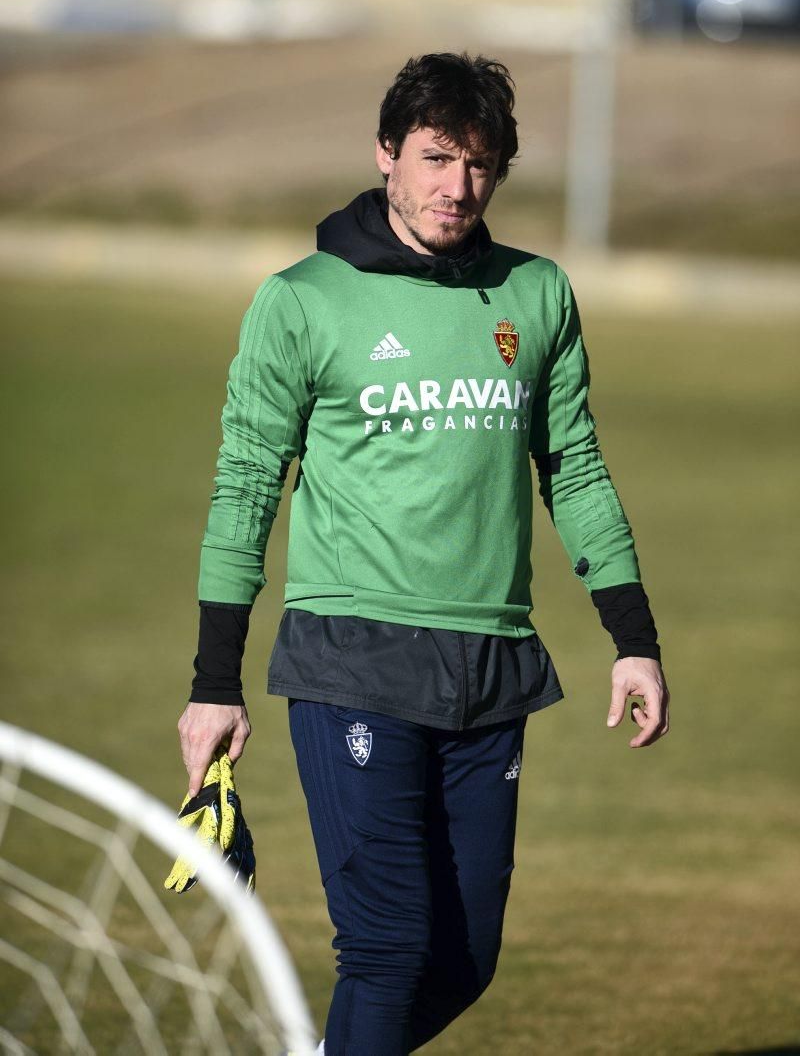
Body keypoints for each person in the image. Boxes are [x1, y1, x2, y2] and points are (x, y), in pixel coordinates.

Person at [178, 52, 669, 1055]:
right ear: (385, 155)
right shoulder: (301, 300)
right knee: (389, 946)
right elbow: (243, 486)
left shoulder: (535, 295)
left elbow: (570, 467)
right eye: (436, 157)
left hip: (492, 663)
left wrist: (632, 635)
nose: (456, 186)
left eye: (479, 164)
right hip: (351, 655)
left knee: (466, 956)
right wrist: (211, 680)